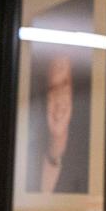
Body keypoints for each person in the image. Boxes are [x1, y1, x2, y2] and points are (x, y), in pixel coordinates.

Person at [25, 45, 90, 194]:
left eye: (65, 85)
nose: (59, 99)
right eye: (53, 89)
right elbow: (42, 195)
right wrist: (56, 138)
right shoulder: (32, 137)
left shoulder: (89, 135)